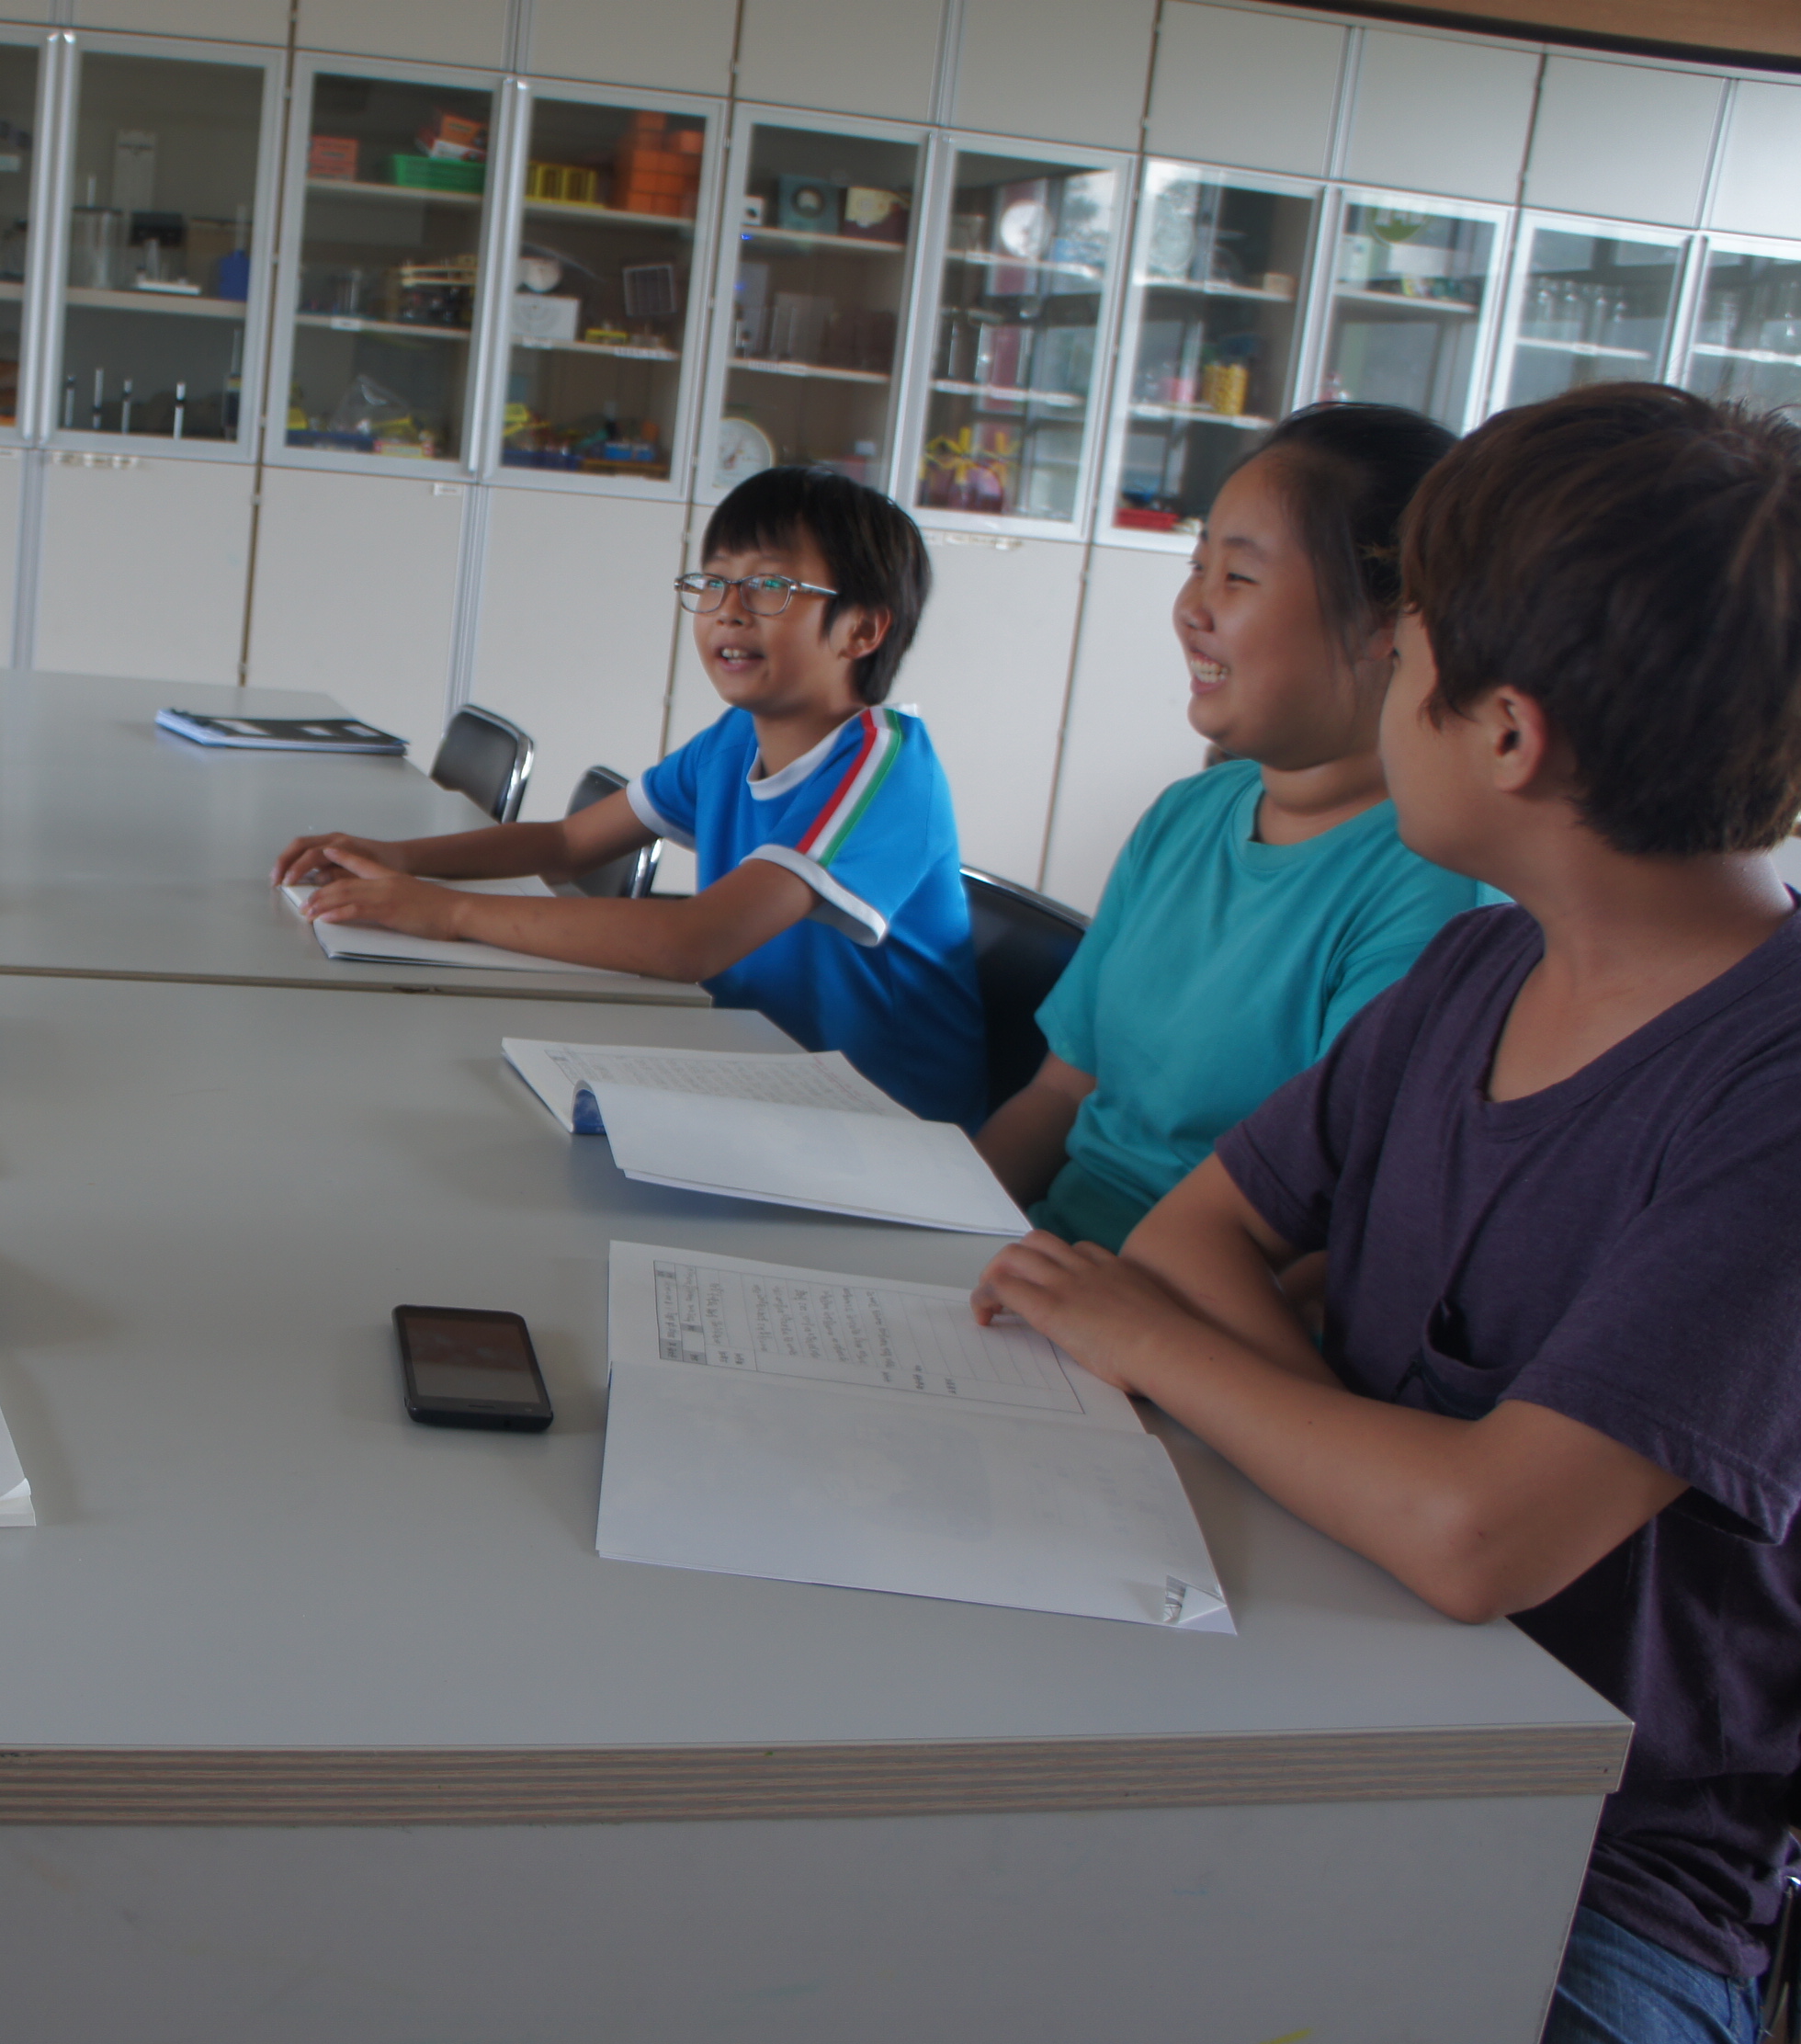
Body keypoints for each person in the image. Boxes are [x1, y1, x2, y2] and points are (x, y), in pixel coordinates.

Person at [972, 384, 1801, 2043]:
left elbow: (1478, 1536)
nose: (1387, 683)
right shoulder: (1479, 969)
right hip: (1304, 1667)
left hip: (1587, 1872)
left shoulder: (1765, 1092)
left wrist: (1163, 1351)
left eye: (1406, 652)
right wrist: (1377, 1473)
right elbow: (1192, 1234)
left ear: (1506, 734)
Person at [272, 466, 986, 1127]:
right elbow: (566, 844)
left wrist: (447, 911)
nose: (728, 611)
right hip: (763, 1084)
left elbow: (694, 942)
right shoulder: (733, 741)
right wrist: (399, 858)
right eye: (714, 582)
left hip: (884, 1129)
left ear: (863, 628)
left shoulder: (885, 768)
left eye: (770, 586)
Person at [974, 404, 1482, 1245]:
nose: (1190, 609)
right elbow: (1062, 1093)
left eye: (1238, 577)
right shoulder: (1187, 815)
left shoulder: (1433, 891)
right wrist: (938, 1220)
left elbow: (1328, 1231)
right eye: (1197, 565)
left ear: (1386, 620)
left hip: (1178, 1307)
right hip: (1040, 1263)